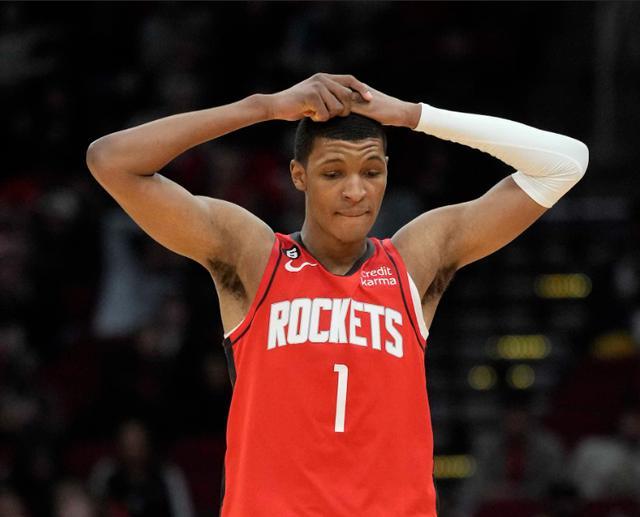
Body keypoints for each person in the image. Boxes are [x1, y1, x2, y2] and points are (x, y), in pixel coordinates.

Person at [86, 73, 588, 516]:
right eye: (332, 173)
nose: (355, 191)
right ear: (298, 175)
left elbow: (566, 163)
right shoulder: (254, 257)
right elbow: (110, 160)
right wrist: (265, 106)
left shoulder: (414, 261)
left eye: (371, 171)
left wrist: (412, 115)